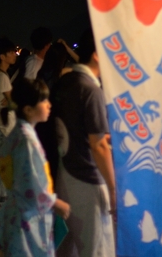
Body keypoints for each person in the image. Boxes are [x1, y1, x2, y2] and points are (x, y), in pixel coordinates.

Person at [0, 78, 71, 256]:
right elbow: (32, 183)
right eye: (43, 100)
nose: (49, 105)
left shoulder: (18, 134)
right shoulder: (27, 140)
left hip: (19, 213)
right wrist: (55, 202)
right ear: (28, 109)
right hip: (29, 218)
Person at [52, 28, 115, 257]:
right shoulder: (91, 90)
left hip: (63, 175)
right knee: (96, 249)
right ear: (97, 54)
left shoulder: (65, 82)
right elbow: (98, 147)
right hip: (88, 180)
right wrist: (114, 189)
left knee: (66, 249)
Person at [0, 37, 19, 207]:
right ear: (2, 56)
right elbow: (13, 102)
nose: (14, 54)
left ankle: (1, 201)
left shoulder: (0, 75)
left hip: (3, 128)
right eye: (10, 52)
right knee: (3, 167)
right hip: (4, 128)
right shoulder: (1, 77)